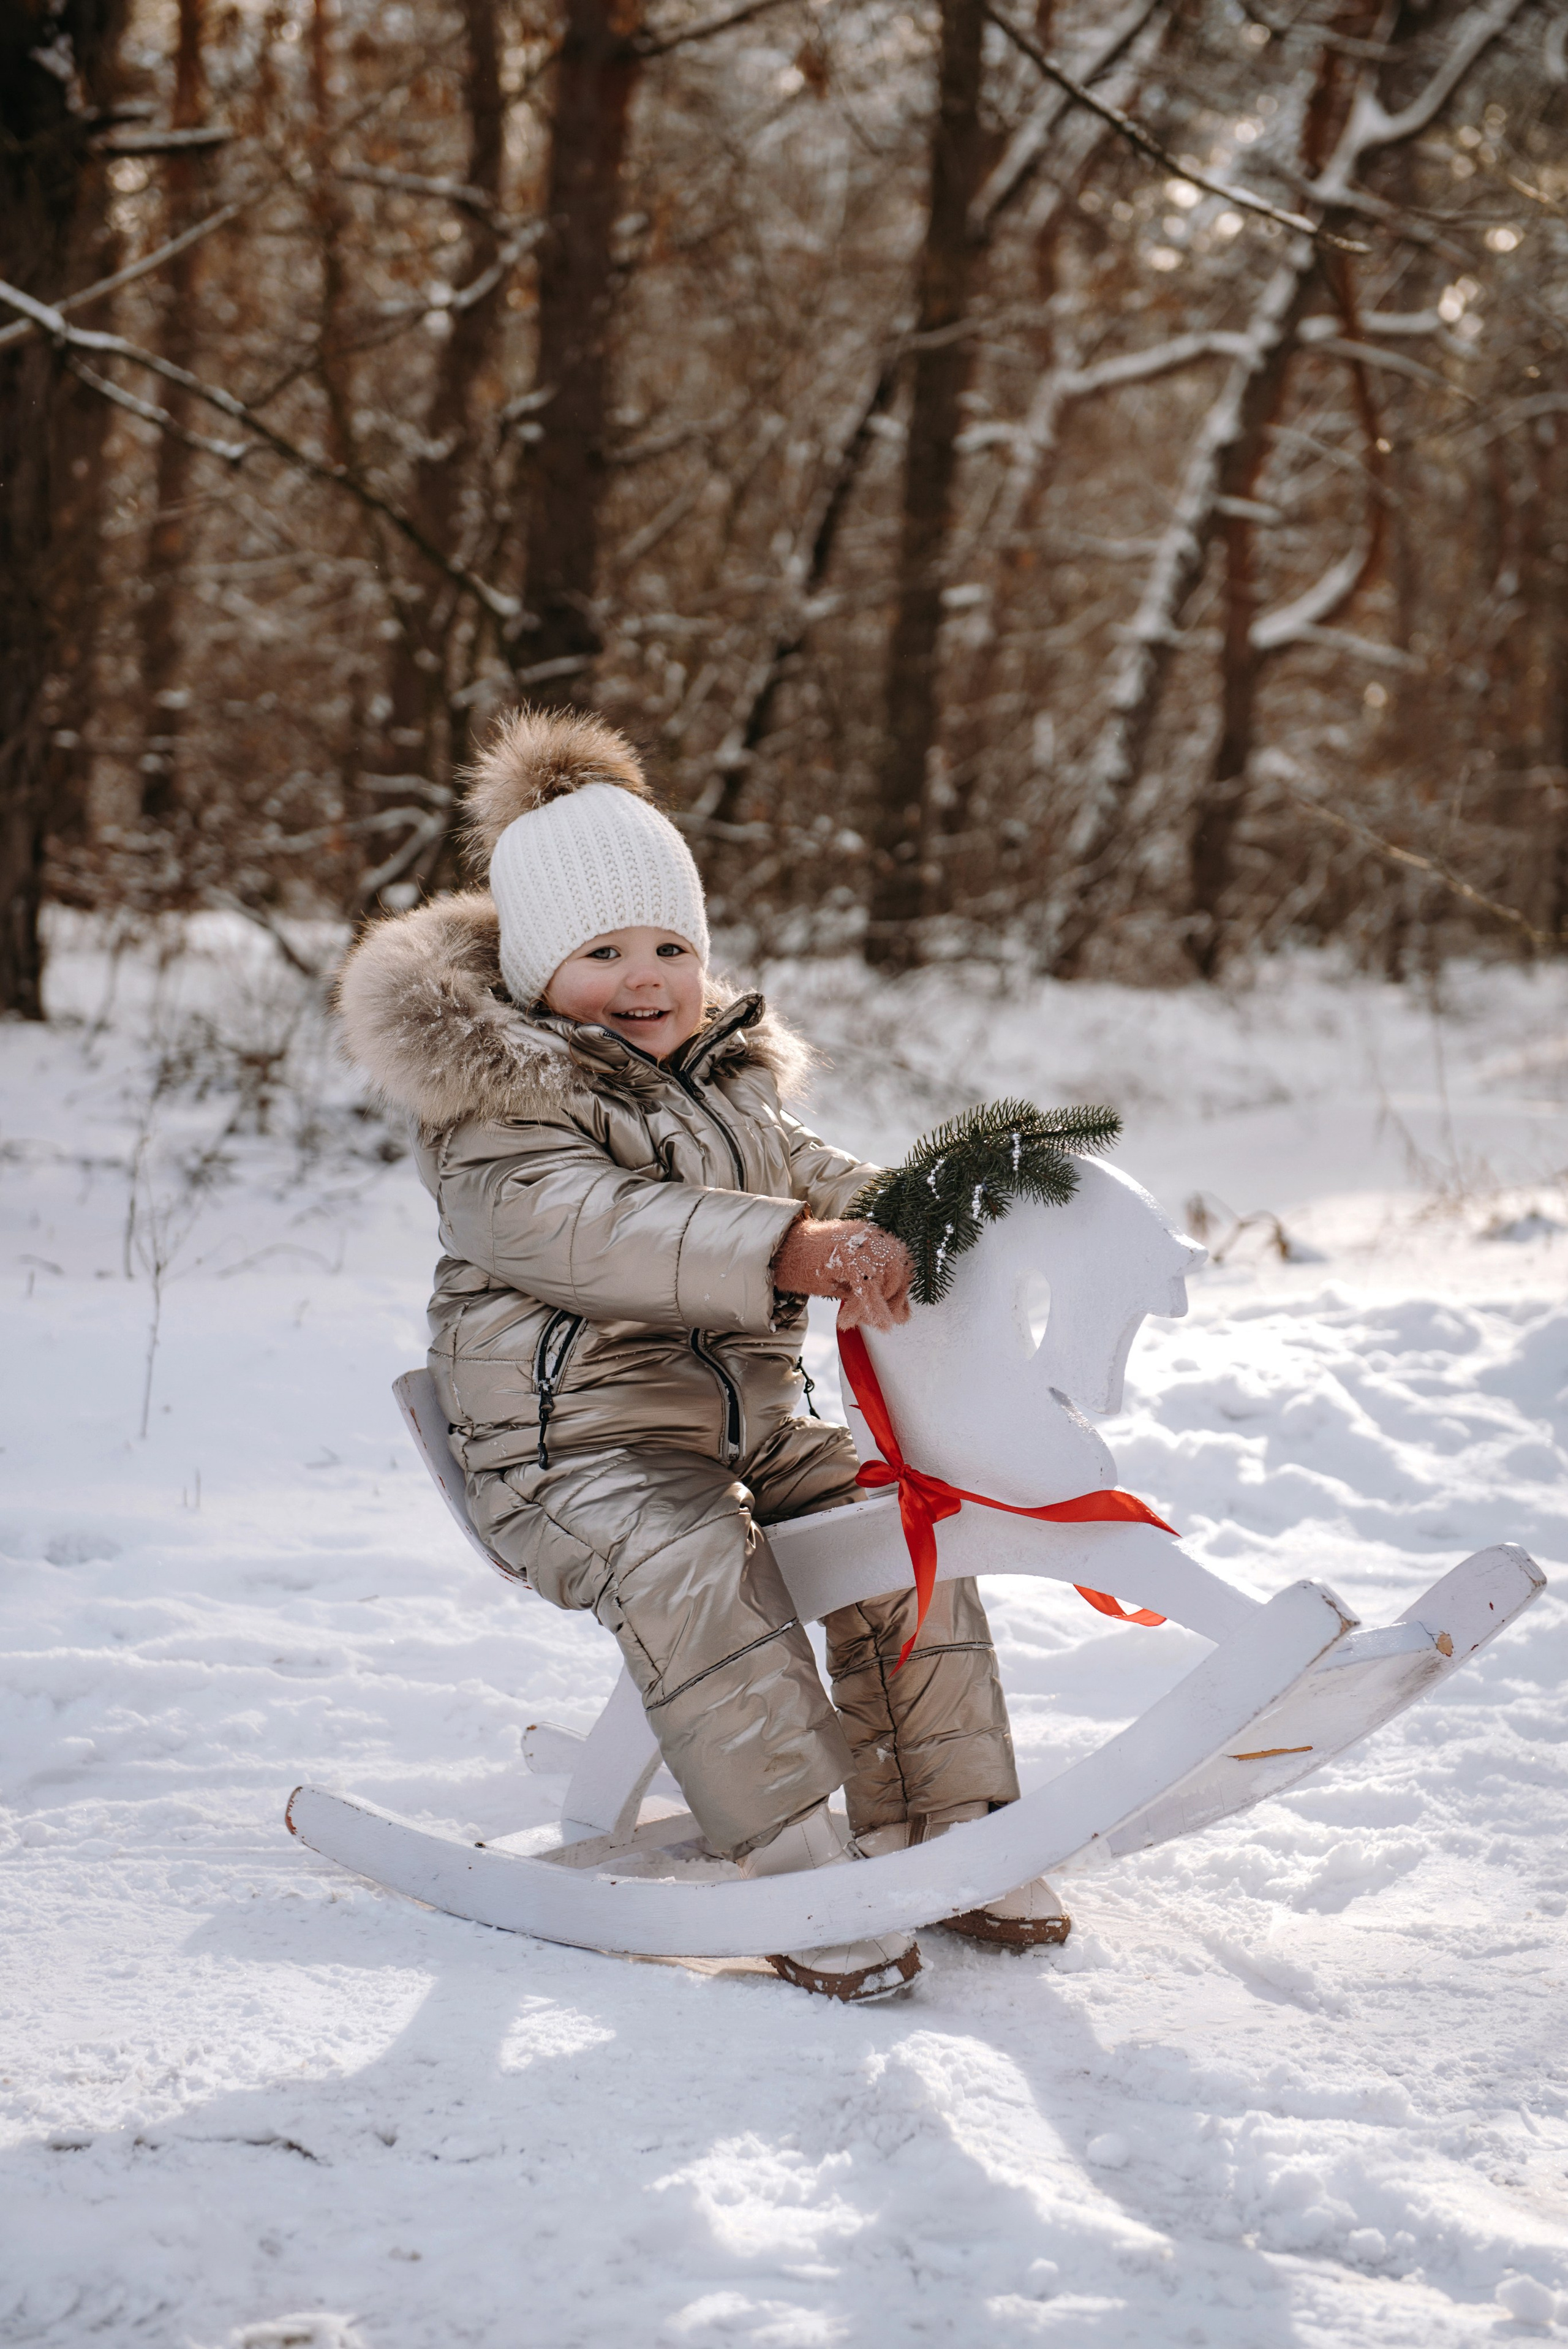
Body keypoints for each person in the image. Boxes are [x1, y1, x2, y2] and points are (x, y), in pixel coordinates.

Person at [337, 707, 1069, 2000]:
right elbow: (592, 1228)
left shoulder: (724, 1080)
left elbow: (818, 1173)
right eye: (603, 949)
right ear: (527, 972)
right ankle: (797, 1863)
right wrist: (792, 1249)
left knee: (902, 1518)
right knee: (693, 1556)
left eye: (671, 945)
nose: (646, 976)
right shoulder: (497, 1109)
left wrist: (914, 1208)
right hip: (570, 1452)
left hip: (747, 1430)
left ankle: (947, 1822)